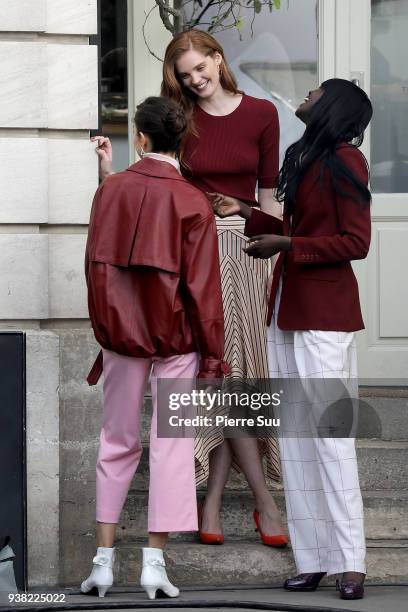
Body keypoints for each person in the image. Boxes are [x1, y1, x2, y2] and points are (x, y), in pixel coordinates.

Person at [94, 28, 286, 548]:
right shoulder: (181, 120)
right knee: (220, 383)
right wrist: (110, 174)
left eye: (202, 68)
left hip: (248, 256)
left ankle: (215, 504)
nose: (196, 80)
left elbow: (270, 204)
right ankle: (262, 504)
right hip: (193, 261)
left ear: (219, 60)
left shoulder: (262, 114)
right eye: (185, 75)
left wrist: (246, 215)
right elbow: (153, 190)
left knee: (241, 381)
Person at [212, 78, 372, 601]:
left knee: (331, 439)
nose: (306, 92)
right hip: (286, 310)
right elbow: (298, 225)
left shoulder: (346, 160)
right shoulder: (308, 157)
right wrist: (245, 210)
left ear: (334, 106)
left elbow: (355, 241)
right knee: (299, 442)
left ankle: (351, 562)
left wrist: (286, 242)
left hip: (325, 314)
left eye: (317, 89)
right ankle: (314, 559)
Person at [82, 96, 227, 599]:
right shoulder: (192, 201)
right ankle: (153, 564)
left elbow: (100, 263)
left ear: (139, 138)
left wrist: (107, 172)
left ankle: (102, 563)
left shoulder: (112, 191)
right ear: (179, 139)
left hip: (122, 339)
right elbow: (204, 293)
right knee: (172, 449)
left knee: (115, 441)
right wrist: (214, 355)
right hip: (178, 338)